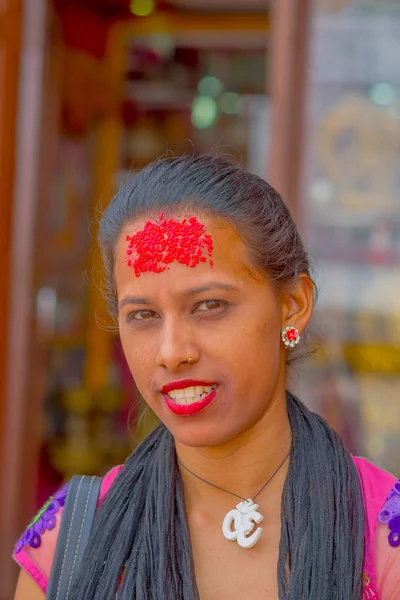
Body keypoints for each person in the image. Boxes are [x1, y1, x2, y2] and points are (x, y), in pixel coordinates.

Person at [13, 156, 399, 600]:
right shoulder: (73, 542)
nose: (172, 352)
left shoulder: (381, 538)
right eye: (143, 315)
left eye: (210, 306)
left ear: (292, 304)